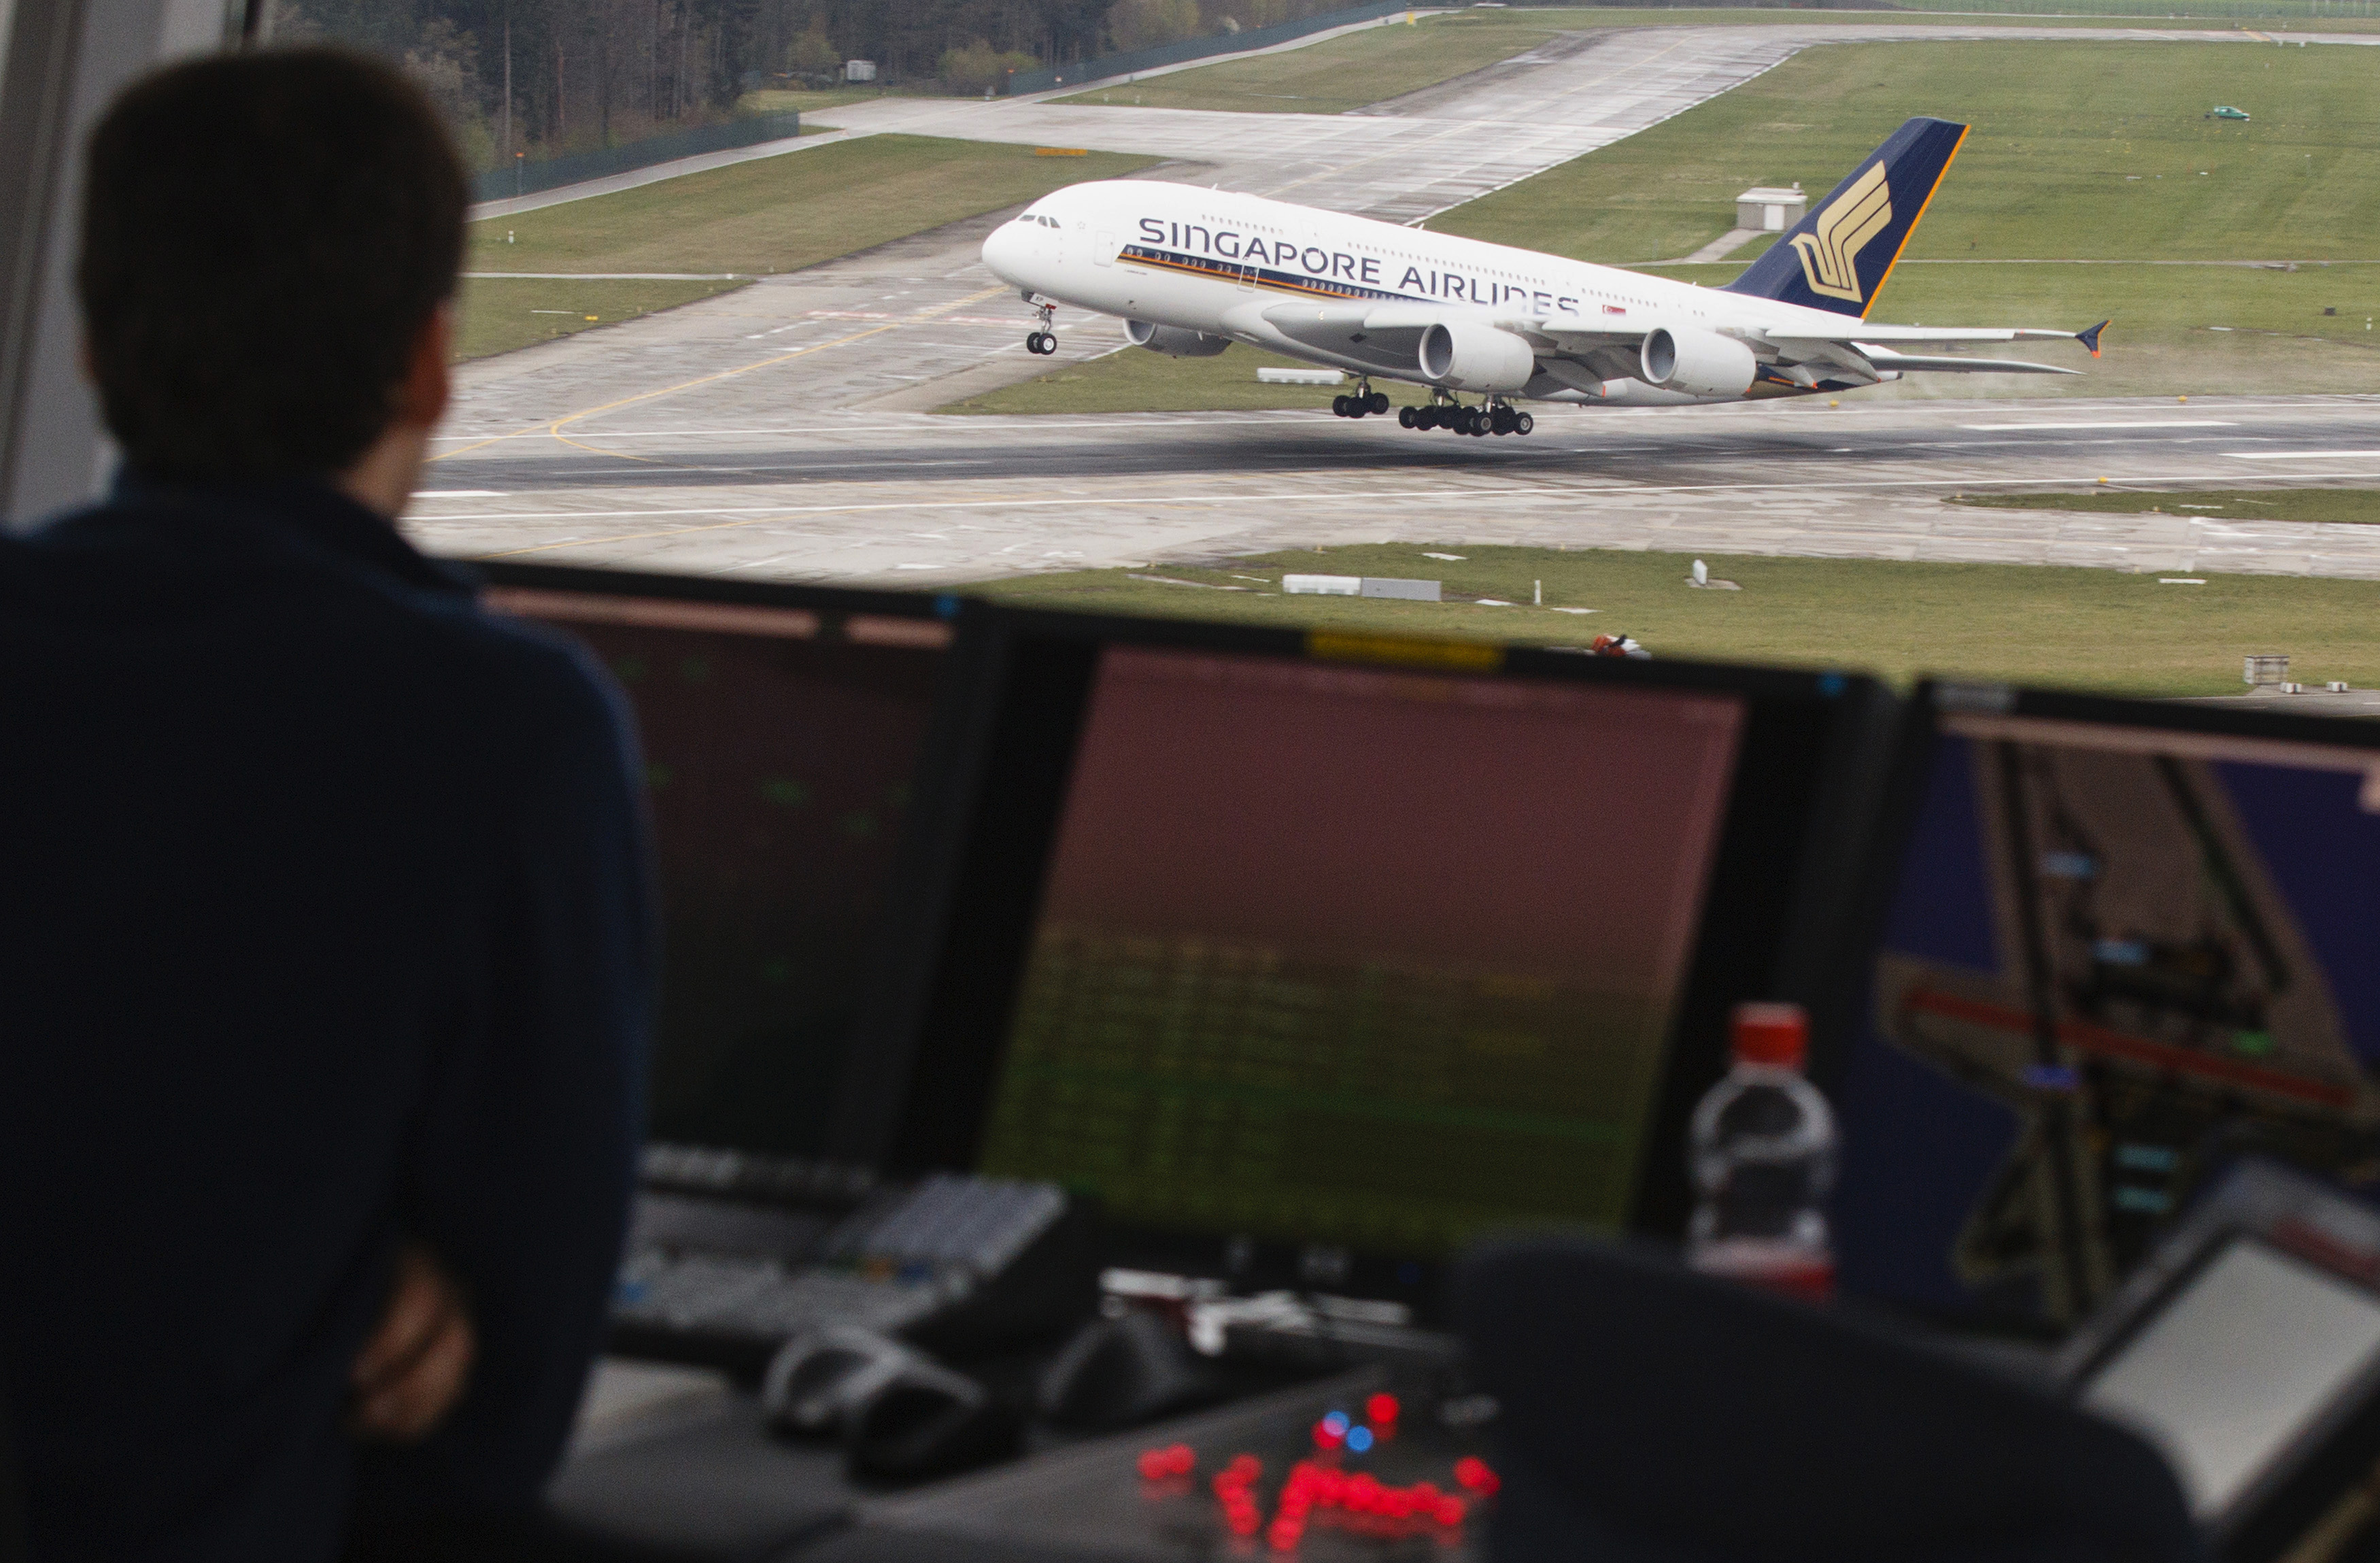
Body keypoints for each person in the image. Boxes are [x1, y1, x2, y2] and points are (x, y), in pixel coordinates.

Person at [0, 48, 653, 1562]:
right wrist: (329, 1296)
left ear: (92, 346)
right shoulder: (506, 732)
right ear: (428, 365)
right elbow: (501, 1424)